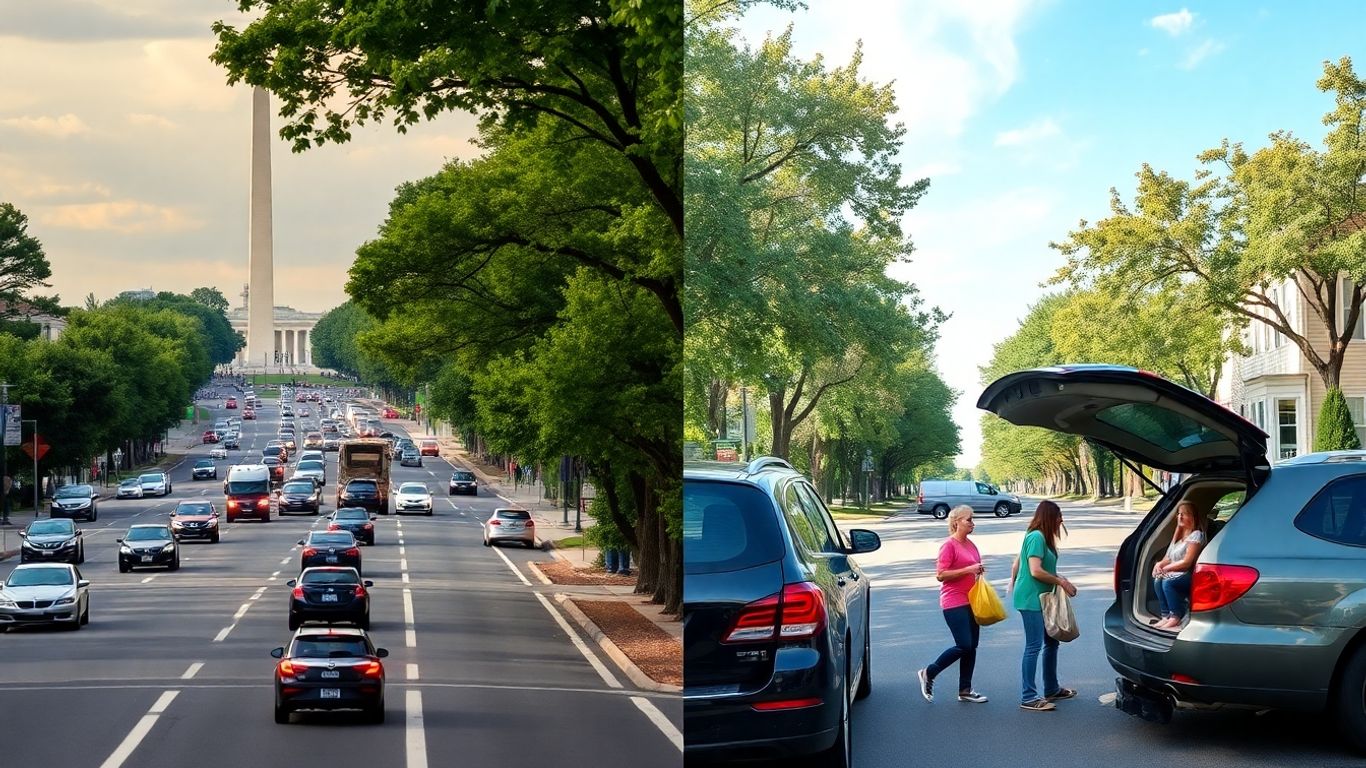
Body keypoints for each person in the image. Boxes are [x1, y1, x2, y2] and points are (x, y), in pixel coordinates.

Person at [1010, 500, 1078, 712]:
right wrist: (1061, 582)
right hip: (1031, 599)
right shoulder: (1037, 536)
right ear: (1049, 517)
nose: (1061, 520)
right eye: (1058, 516)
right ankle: (1028, 696)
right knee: (1033, 646)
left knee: (1052, 641)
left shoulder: (1042, 538)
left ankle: (1051, 688)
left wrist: (1060, 578)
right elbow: (1035, 570)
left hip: (1042, 597)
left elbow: (1017, 562)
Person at [918, 505, 988, 704]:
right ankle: (928, 672)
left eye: (973, 519)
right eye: (968, 519)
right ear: (956, 522)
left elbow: (972, 568)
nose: (972, 523)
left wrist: (977, 571)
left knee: (972, 646)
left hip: (972, 600)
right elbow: (941, 575)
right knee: (964, 644)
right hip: (953, 601)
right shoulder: (949, 545)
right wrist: (968, 569)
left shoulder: (971, 545)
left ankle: (965, 689)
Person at [1151, 501, 1207, 630]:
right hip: (1177, 571)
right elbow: (1168, 557)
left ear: (1193, 517)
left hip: (1189, 574)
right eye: (1179, 514)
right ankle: (1166, 615)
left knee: (1167, 582)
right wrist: (1159, 565)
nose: (1180, 517)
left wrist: (1166, 568)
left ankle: (1176, 616)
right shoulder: (1178, 535)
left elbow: (1187, 563)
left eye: (1185, 514)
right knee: (1157, 579)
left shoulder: (1196, 535)